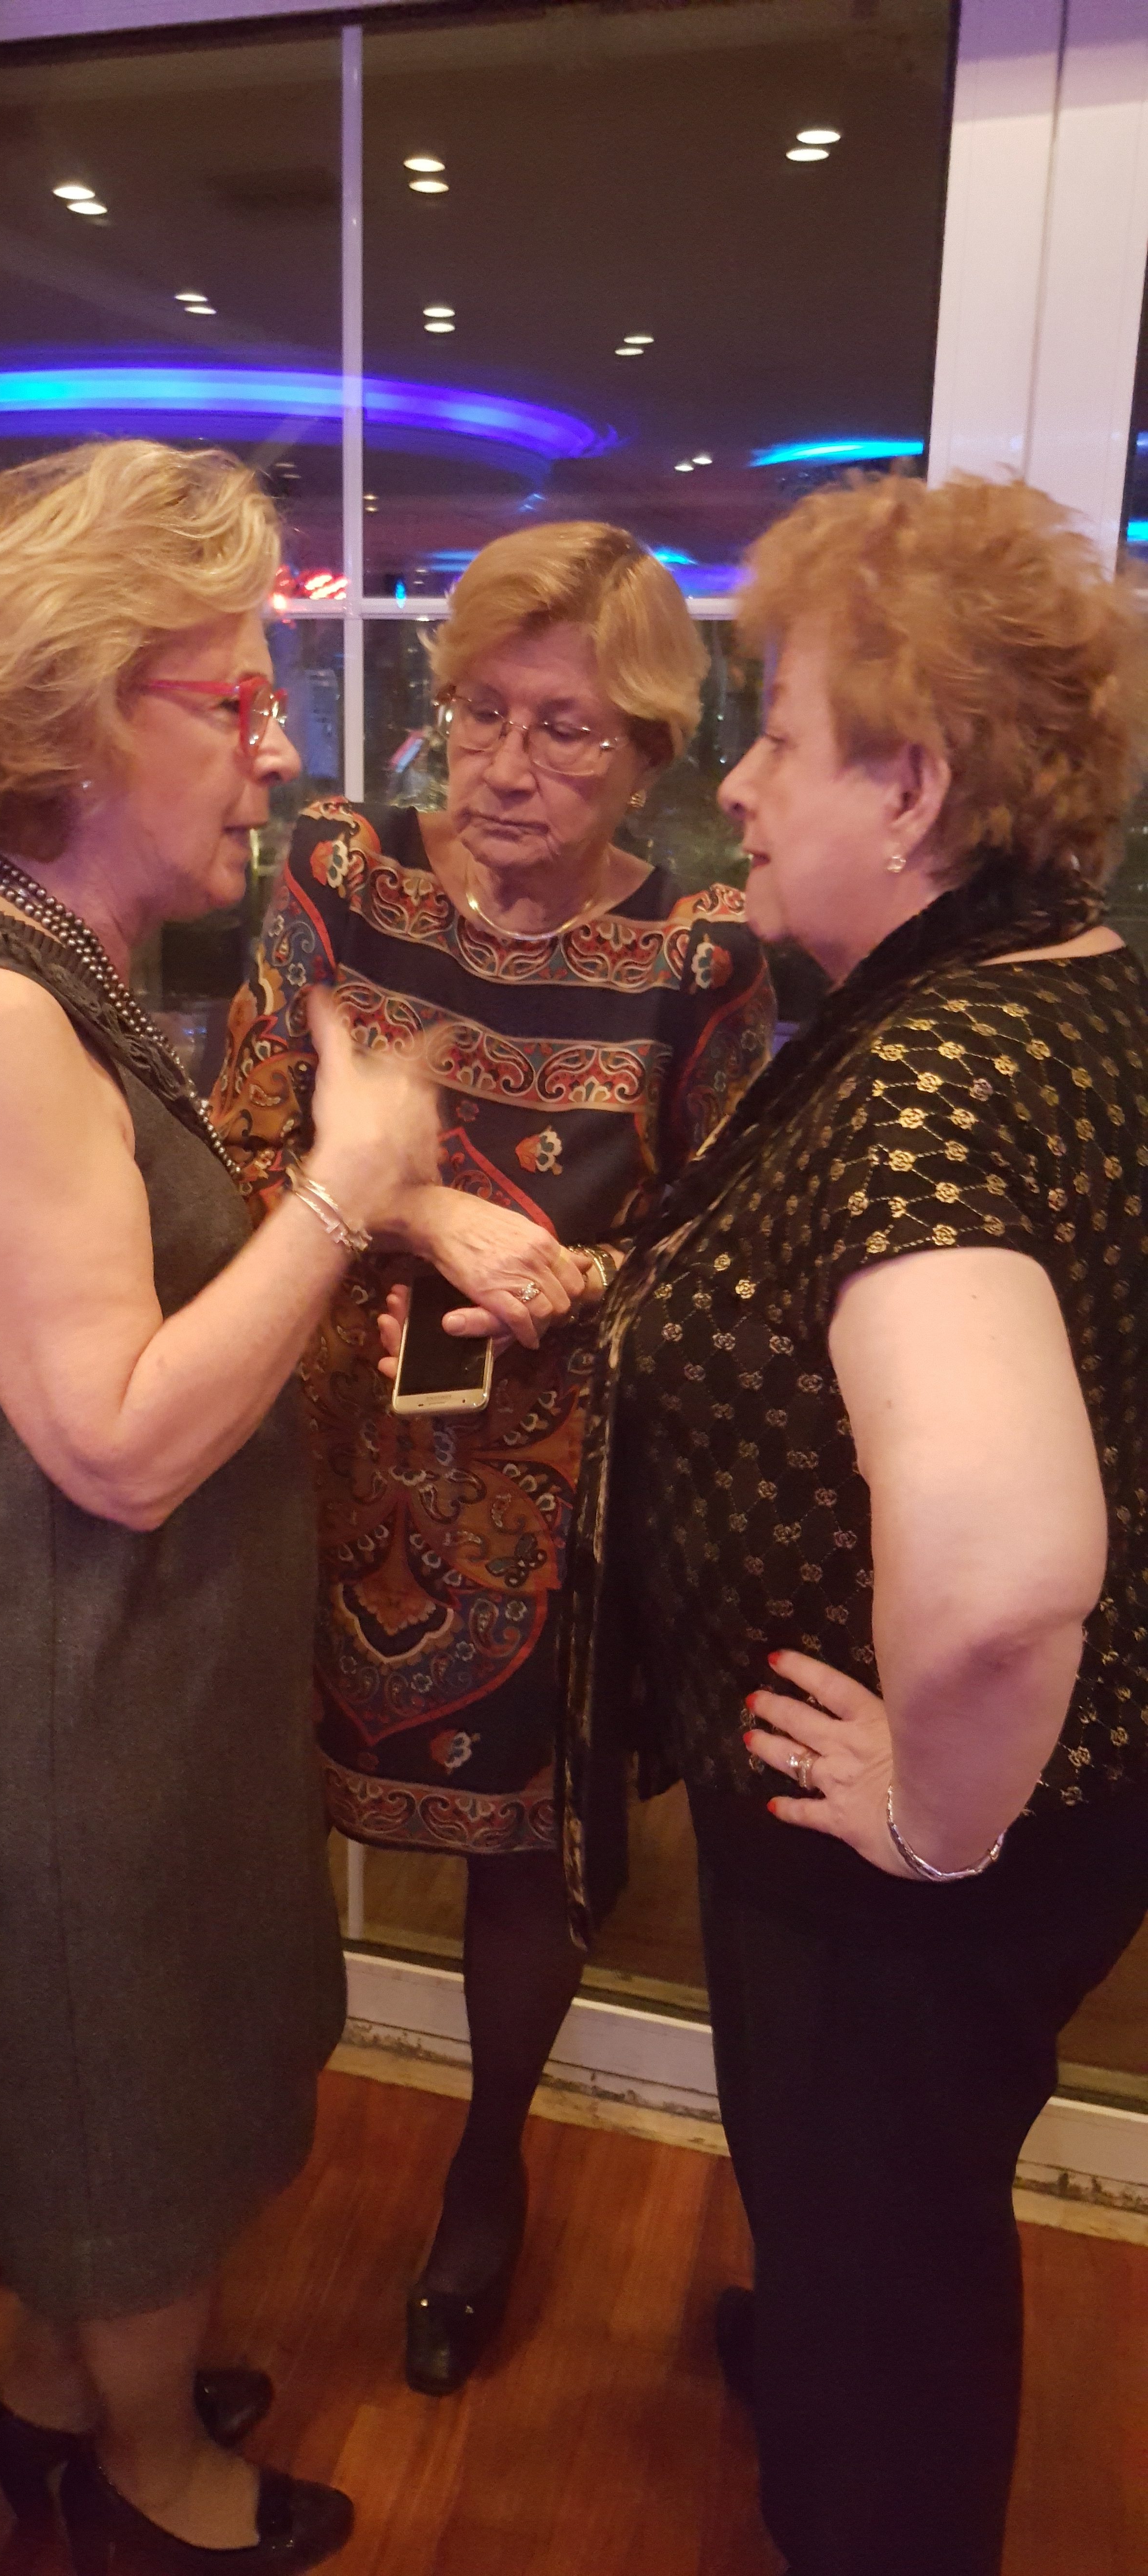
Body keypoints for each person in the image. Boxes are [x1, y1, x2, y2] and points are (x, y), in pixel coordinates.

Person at [0, 440, 437, 2576]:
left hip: (105, 1675)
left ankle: (63, 2396)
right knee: (122, 2105)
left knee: (122, 2087)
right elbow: (121, 1440)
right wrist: (350, 1183)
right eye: (237, 697)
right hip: (62, 1707)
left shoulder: (42, 961)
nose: (282, 748)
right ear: (76, 719)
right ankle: (151, 2487)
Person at [561, 473, 1148, 2576]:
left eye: (780, 735)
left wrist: (935, 1816)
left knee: (891, 2257)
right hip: (1062, 1800)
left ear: (909, 788)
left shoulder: (929, 1083)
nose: (734, 781)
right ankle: (826, 2323)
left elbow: (998, 1574)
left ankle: (862, 2464)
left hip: (908, 1856)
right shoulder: (1072, 980)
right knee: (887, 2195)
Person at [213, 521, 772, 2393]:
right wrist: (419, 1217)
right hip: (296, 1446)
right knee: (241, 1821)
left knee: (525, 1857)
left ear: (650, 753)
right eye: (478, 715)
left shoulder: (699, 960)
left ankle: (487, 2165)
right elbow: (236, 1141)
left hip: (538, 1496)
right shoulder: (342, 882)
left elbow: (714, 1242)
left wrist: (571, 1284)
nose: (507, 768)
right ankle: (201, 2152)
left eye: (567, 730)